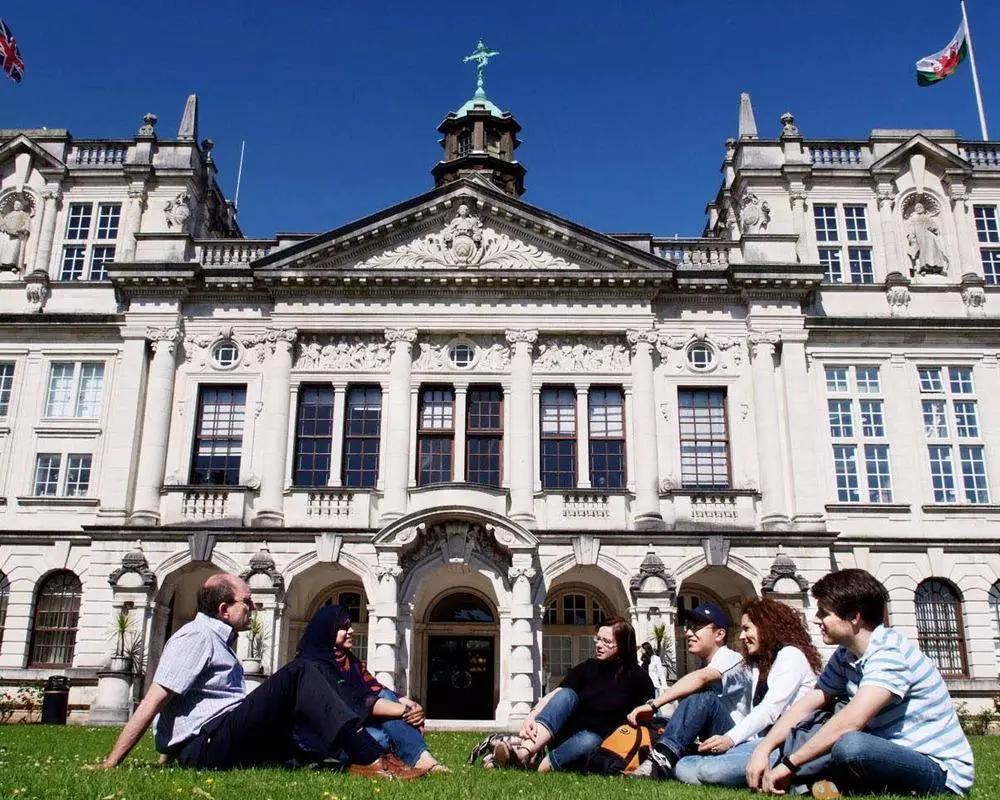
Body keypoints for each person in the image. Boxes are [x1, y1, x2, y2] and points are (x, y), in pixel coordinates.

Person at [91, 574, 420, 780]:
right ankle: (370, 758)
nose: (253, 606)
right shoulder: (197, 637)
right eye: (246, 601)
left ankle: (370, 759)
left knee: (299, 723)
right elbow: (156, 700)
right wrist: (112, 762)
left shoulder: (218, 640)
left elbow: (184, 708)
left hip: (217, 738)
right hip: (209, 743)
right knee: (300, 671)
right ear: (224, 609)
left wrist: (169, 753)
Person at [747, 569, 974, 797]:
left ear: (854, 617)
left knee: (851, 746)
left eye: (824, 613)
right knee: (828, 738)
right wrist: (763, 748)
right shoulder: (845, 655)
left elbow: (852, 721)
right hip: (886, 753)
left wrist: (790, 763)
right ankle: (829, 782)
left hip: (937, 769)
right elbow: (807, 704)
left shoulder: (889, 653)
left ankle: (831, 782)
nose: (816, 619)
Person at [672, 598, 821, 786]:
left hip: (787, 745)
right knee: (683, 766)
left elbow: (770, 709)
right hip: (758, 744)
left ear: (766, 627)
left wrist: (730, 739)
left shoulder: (791, 655)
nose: (742, 636)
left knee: (708, 771)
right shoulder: (758, 665)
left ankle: (778, 777)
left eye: (747, 629)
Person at [295, 605, 450, 774]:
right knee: (382, 737)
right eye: (344, 627)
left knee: (386, 699)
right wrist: (405, 712)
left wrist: (410, 705)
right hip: (331, 735)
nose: (352, 631)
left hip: (357, 723)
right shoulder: (313, 664)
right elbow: (358, 701)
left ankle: (422, 758)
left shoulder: (348, 660)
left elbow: (374, 688)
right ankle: (412, 754)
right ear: (327, 631)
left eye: (350, 626)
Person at [495, 616, 654, 773]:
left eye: (606, 641)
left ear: (623, 645)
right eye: (598, 639)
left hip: (601, 745)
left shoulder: (638, 678)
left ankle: (534, 764)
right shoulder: (588, 667)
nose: (599, 645)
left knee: (590, 739)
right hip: (564, 734)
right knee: (567, 694)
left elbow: (647, 717)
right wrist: (532, 715)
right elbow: (556, 694)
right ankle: (524, 752)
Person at [629, 601, 751, 778]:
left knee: (703, 698)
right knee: (669, 738)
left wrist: (653, 705)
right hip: (714, 739)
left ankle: (660, 760)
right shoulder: (708, 664)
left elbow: (700, 678)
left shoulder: (731, 657)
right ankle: (667, 758)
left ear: (719, 634)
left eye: (696, 627)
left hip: (737, 742)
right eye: (688, 627)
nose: (687, 633)